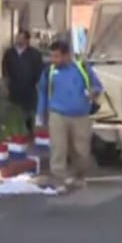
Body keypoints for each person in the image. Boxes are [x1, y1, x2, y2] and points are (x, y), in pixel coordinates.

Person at [36, 38, 103, 191]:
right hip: (57, 114)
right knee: (58, 148)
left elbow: (97, 86)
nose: (54, 60)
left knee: (80, 150)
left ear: (67, 56)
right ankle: (59, 178)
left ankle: (79, 175)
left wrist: (93, 92)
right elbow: (42, 92)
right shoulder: (50, 71)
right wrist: (40, 113)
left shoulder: (82, 68)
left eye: (57, 56)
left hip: (80, 115)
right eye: (52, 56)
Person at [2, 29, 44, 134]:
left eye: (22, 38)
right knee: (15, 110)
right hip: (14, 87)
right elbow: (5, 69)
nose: (19, 40)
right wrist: (6, 83)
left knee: (29, 110)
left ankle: (30, 131)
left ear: (27, 40)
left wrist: (37, 83)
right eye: (18, 38)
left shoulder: (34, 54)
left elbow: (39, 70)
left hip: (29, 87)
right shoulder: (9, 53)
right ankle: (15, 130)